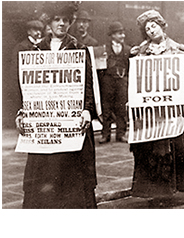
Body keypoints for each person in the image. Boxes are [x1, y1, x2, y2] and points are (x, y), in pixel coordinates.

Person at [15, 2, 97, 208]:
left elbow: (88, 83)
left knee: (72, 175)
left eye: (66, 20)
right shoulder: (36, 49)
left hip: (71, 121)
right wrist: (22, 113)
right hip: (46, 124)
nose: (61, 24)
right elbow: (28, 87)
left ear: (71, 23)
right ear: (49, 22)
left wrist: (87, 110)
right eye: (57, 20)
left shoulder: (79, 49)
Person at [128, 10, 184, 198]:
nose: (151, 31)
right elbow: (135, 81)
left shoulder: (179, 51)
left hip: (172, 109)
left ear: (162, 26)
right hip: (150, 111)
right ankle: (154, 191)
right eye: (147, 29)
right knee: (150, 149)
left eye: (153, 26)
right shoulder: (141, 53)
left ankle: (170, 190)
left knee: (172, 148)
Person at [98, 21, 130, 143]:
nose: (123, 36)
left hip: (122, 81)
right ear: (112, 35)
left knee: (122, 108)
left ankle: (121, 134)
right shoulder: (104, 49)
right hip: (108, 81)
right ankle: (105, 134)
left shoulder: (128, 49)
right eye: (119, 33)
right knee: (106, 108)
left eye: (123, 33)